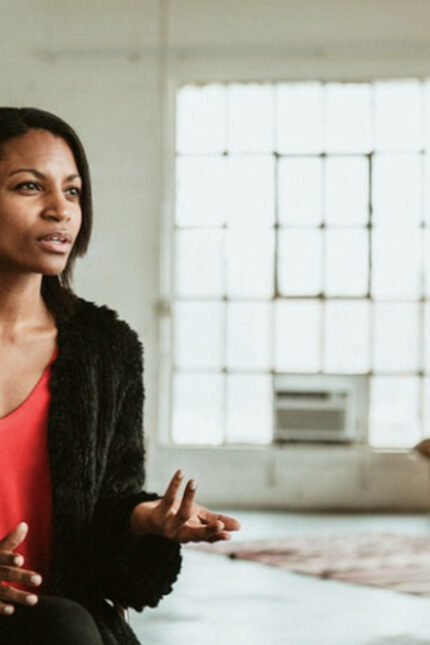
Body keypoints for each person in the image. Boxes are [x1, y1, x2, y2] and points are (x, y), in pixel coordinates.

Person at [0, 107, 241, 645]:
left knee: (66, 626)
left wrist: (149, 519)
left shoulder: (103, 349)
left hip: (61, 615)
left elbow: (109, 505)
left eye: (74, 191)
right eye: (28, 187)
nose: (60, 210)